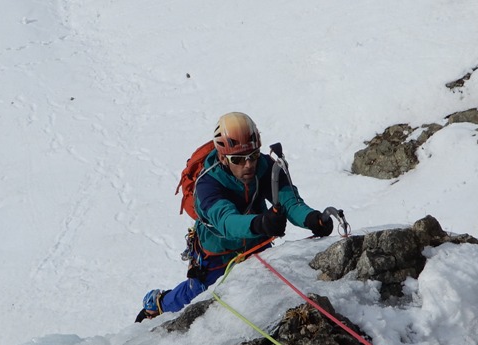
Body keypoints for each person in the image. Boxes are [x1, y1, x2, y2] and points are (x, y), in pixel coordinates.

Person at [136, 112, 333, 322]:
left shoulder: (265, 167)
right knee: (198, 295)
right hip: (219, 252)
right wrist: (261, 223)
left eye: (253, 156)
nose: (248, 165)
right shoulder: (207, 184)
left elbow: (289, 202)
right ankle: (159, 303)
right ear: (222, 157)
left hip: (257, 243)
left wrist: (312, 219)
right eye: (238, 159)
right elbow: (226, 221)